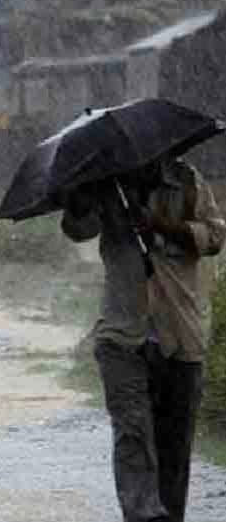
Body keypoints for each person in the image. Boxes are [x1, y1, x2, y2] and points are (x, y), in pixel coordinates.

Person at [61, 157, 226, 522]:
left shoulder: (186, 181)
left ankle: (168, 514)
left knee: (174, 446)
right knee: (133, 434)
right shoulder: (106, 183)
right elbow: (77, 229)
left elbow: (215, 237)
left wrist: (161, 225)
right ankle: (144, 515)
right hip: (122, 335)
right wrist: (78, 199)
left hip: (181, 333)